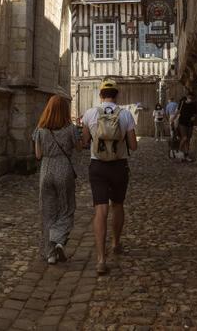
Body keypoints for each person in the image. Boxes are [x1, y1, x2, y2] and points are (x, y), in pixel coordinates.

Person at [81, 79, 138, 274]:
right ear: (117, 94)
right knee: (118, 205)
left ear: (101, 95)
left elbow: (85, 141)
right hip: (119, 166)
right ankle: (115, 243)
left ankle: (100, 259)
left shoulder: (90, 113)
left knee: (100, 210)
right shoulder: (126, 114)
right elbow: (133, 145)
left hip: (97, 166)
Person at [32, 95, 79, 264]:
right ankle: (59, 240)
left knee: (47, 212)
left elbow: (38, 155)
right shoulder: (70, 129)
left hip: (46, 171)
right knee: (67, 208)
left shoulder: (40, 130)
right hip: (64, 170)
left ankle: (50, 255)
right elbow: (79, 147)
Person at [175, 94, 197, 162]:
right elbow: (177, 111)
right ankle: (179, 151)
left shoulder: (193, 105)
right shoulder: (182, 103)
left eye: (191, 98)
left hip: (190, 124)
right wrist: (173, 119)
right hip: (182, 123)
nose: (190, 99)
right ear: (187, 98)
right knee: (184, 138)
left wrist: (194, 117)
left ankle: (186, 155)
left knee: (188, 140)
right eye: (189, 98)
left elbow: (195, 113)